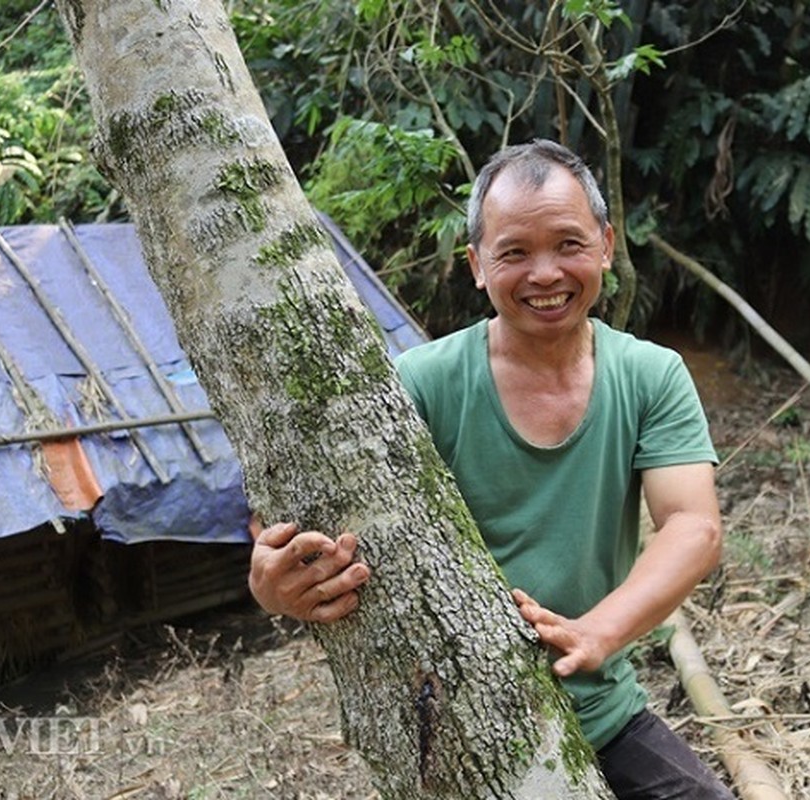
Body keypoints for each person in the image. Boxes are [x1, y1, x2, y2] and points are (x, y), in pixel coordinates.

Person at [248, 139, 734, 799]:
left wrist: (598, 631)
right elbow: (302, 532)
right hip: (453, 731)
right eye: (514, 252)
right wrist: (275, 588)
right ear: (476, 264)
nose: (544, 274)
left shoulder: (650, 375)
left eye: (568, 244)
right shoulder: (420, 384)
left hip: (600, 707)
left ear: (605, 246)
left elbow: (692, 526)